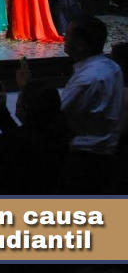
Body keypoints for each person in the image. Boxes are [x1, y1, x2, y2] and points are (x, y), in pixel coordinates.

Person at [58, 16, 124, 193]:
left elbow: (56, 116)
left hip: (84, 160)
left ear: (81, 44)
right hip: (104, 157)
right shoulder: (112, 67)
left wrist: (27, 89)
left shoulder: (87, 79)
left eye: (68, 35)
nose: (64, 38)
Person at [0, 79, 70, 195]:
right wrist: (1, 113)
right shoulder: (64, 136)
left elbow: (19, 142)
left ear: (25, 108)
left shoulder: (9, 144)